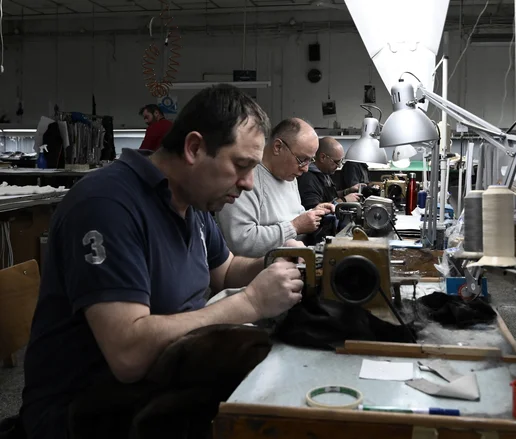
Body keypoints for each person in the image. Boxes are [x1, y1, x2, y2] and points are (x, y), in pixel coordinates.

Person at [18, 85, 305, 439]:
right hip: (85, 414)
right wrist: (250, 302)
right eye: (241, 166)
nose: (248, 183)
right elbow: (128, 354)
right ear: (194, 148)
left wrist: (275, 261)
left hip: (165, 384)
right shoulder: (107, 205)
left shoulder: (193, 200)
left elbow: (227, 270)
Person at [217, 118, 334, 258]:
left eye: (310, 160)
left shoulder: (289, 176)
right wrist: (295, 227)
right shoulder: (245, 178)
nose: (306, 169)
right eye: (302, 159)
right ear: (278, 147)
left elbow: (291, 216)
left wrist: (313, 214)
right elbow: (241, 242)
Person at [297, 137, 364, 210]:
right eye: (336, 162)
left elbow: (328, 196)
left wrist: (347, 191)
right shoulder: (308, 179)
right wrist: (343, 200)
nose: (338, 166)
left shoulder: (324, 173)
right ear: (322, 157)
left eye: (340, 161)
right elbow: (314, 210)